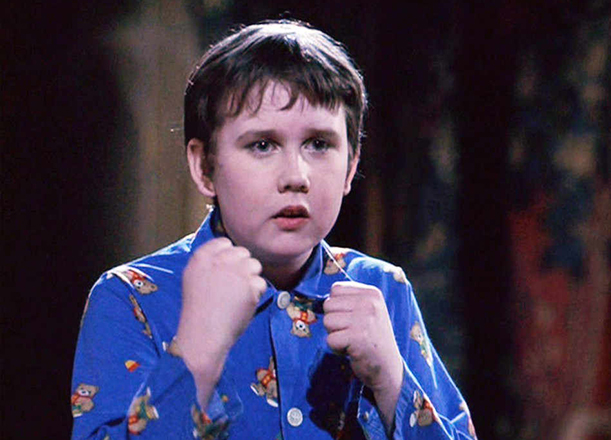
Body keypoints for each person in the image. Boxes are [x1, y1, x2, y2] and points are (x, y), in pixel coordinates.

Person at [70, 19, 477, 440]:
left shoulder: (383, 290)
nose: (296, 176)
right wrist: (196, 353)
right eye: (262, 145)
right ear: (204, 165)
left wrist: (391, 381)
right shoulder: (132, 297)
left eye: (319, 144)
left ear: (351, 165)